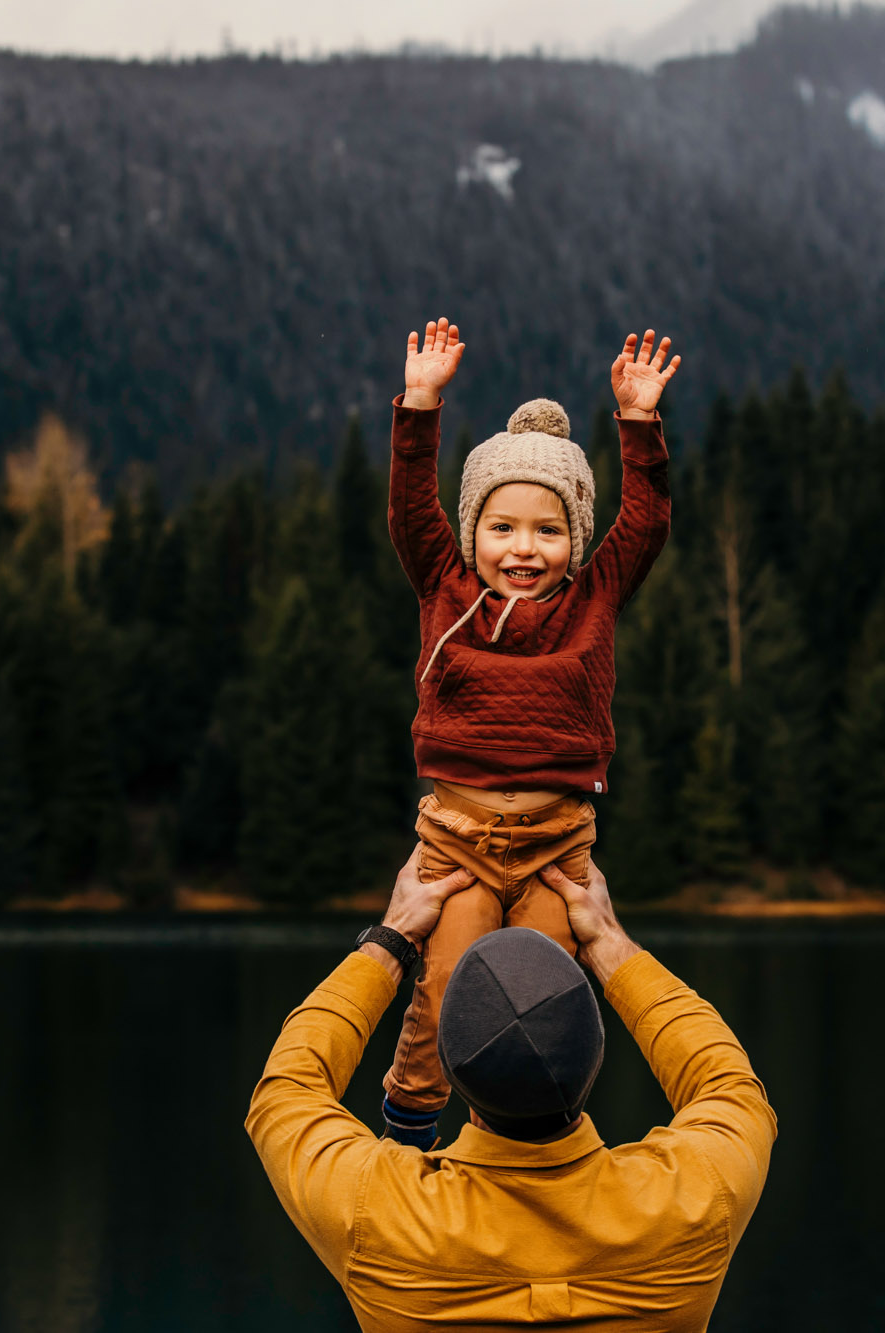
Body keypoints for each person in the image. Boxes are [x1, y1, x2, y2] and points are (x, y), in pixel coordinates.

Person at [245, 848, 777, 1332]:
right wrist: (607, 941)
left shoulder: (379, 1213)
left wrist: (393, 939)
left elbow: (286, 1092)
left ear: (453, 1070)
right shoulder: (698, 1198)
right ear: (595, 1054)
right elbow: (726, 1081)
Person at [380, 316, 679, 1149]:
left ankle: (509, 1158)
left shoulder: (593, 597)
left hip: (556, 843)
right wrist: (420, 402)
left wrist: (640, 423)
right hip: (458, 836)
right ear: (470, 530)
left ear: (576, 540)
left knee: (542, 1006)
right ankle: (407, 1136)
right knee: (441, 993)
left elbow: (646, 521)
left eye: (548, 531)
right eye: (502, 527)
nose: (523, 548)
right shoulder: (443, 584)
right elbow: (410, 505)